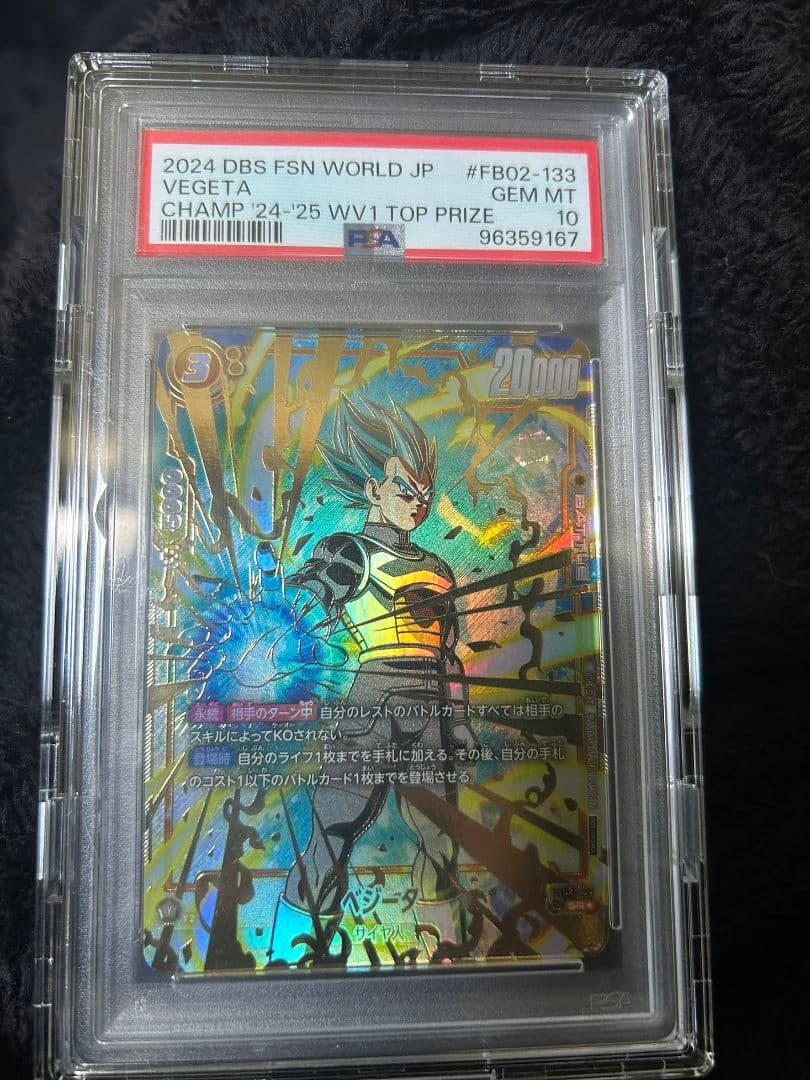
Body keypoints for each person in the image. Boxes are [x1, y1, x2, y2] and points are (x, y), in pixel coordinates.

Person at [267, 394, 476, 963]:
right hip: (372, 697)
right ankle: (292, 954)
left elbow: (447, 655)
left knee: (439, 836)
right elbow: (301, 603)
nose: (419, 503)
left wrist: (458, 720)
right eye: (406, 489)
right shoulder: (349, 551)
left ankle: (447, 953)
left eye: (424, 493)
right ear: (373, 490)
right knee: (333, 826)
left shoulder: (437, 568)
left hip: (428, 704)